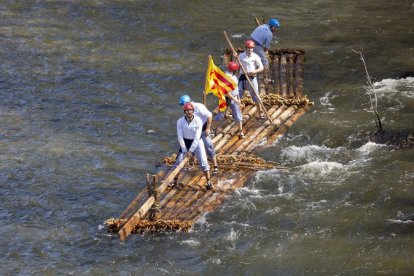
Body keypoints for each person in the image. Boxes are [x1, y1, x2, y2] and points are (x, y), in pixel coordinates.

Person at [170, 102, 213, 189]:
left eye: (190, 110)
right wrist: (185, 150)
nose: (189, 112)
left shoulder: (198, 121)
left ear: (193, 111)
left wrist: (191, 151)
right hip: (185, 142)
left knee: (203, 161)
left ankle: (208, 181)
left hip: (197, 142)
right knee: (178, 162)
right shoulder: (180, 122)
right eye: (187, 110)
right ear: (184, 111)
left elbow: (197, 137)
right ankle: (174, 181)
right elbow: (180, 136)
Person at [179, 95, 219, 174]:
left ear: (189, 102)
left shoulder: (199, 107)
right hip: (194, 132)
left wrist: (208, 128)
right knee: (191, 149)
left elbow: (209, 115)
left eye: (184, 105)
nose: (184, 107)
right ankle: (191, 164)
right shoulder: (186, 109)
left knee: (209, 147)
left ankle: (215, 166)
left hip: (203, 130)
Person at [214, 61, 244, 138]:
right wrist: (236, 99)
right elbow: (226, 92)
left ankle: (214, 130)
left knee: (222, 114)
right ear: (234, 70)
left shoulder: (231, 76)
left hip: (230, 97)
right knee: (236, 115)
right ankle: (240, 132)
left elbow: (236, 89)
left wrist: (238, 98)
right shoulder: (229, 78)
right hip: (227, 98)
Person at [237, 39, 264, 119]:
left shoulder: (256, 57)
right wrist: (236, 58)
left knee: (256, 96)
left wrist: (253, 72)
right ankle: (237, 113)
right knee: (238, 95)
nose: (250, 50)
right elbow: (237, 66)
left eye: (252, 48)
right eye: (249, 48)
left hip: (252, 78)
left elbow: (261, 68)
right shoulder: (241, 55)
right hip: (242, 77)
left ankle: (261, 113)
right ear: (246, 48)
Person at [250, 18, 280, 84]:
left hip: (250, 41)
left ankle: (252, 73)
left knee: (253, 58)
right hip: (256, 45)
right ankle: (266, 79)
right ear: (271, 26)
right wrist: (264, 51)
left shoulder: (263, 26)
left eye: (277, 28)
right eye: (275, 28)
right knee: (265, 62)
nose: (276, 29)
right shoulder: (270, 34)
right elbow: (266, 47)